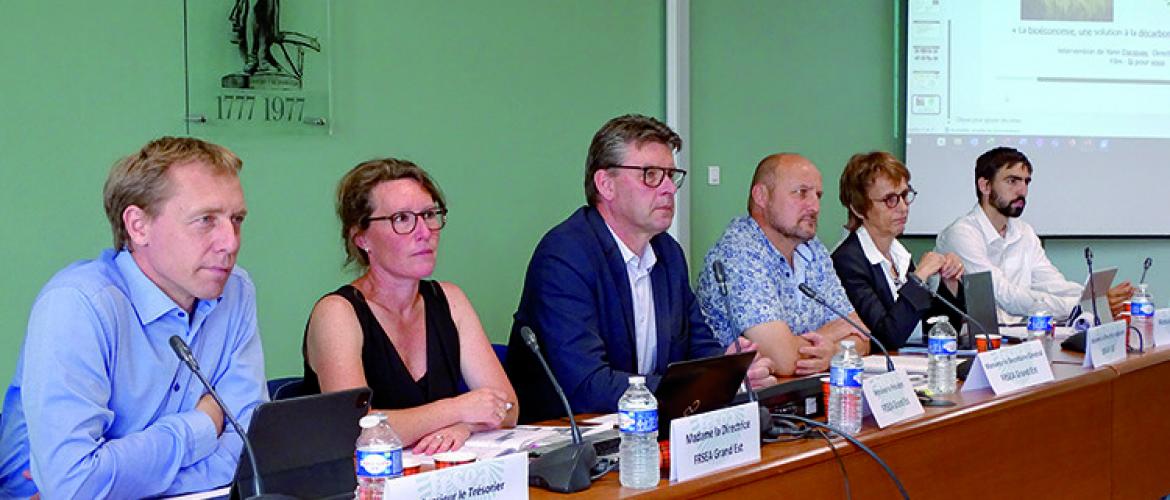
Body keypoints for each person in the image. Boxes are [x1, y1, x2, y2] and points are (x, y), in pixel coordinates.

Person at [0, 137, 266, 498]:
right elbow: (75, 486)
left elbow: (249, 454)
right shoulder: (78, 305)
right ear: (138, 226)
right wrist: (204, 424)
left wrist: (122, 482)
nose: (230, 242)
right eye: (206, 220)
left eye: (236, 219)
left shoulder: (235, 290)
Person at [506, 114, 775, 424]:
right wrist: (694, 384)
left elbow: (698, 346)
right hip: (570, 442)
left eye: (670, 176)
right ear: (605, 184)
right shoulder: (565, 257)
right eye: (650, 175)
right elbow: (586, 385)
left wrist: (728, 370)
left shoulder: (668, 253)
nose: (668, 190)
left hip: (649, 428)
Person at [302, 158, 517, 455]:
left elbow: (508, 406)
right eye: (402, 219)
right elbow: (355, 429)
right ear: (361, 237)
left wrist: (464, 427)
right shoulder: (337, 313)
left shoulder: (450, 300)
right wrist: (458, 409)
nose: (424, 232)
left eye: (429, 214)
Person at [697, 153, 870, 377]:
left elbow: (863, 337)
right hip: (749, 401)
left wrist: (834, 352)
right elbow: (783, 361)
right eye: (802, 193)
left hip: (804, 394)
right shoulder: (738, 252)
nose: (815, 206)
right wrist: (830, 337)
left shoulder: (812, 249)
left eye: (818, 195)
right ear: (761, 196)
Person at [936, 147, 1131, 322]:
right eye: (1012, 181)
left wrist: (1094, 299)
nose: (1022, 190)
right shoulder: (961, 234)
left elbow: (1052, 284)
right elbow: (1005, 296)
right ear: (985, 186)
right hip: (968, 346)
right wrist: (1081, 307)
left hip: (1019, 339)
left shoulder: (1024, 232)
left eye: (1026, 182)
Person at [831, 151, 966, 350]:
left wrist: (950, 282)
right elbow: (887, 336)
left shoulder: (898, 254)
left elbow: (932, 328)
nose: (903, 207)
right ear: (859, 209)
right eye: (890, 200)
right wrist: (918, 279)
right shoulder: (847, 262)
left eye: (904, 195)